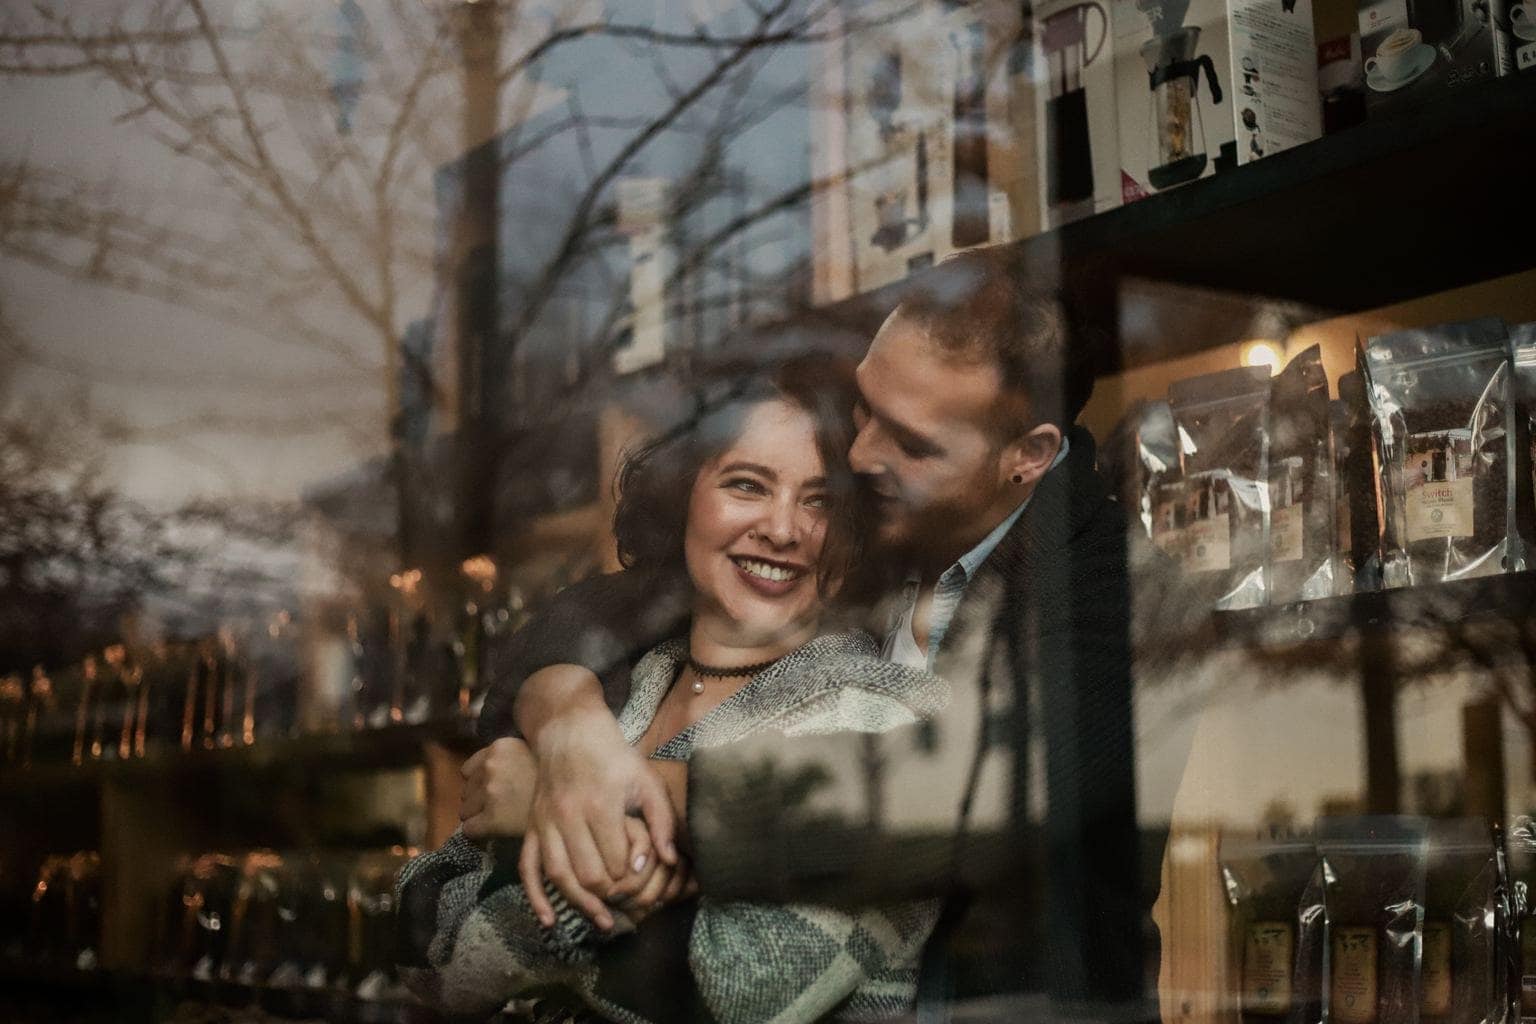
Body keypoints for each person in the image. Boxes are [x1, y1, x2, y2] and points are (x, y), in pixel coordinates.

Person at [468, 245, 1156, 1020]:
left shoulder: (1120, 586)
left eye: (911, 441)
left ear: (1027, 457)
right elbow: (600, 606)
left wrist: (612, 794)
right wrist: (567, 725)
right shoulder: (881, 523)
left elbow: (977, 791)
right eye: (866, 407)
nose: (861, 454)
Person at [396, 355, 952, 1023]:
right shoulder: (623, 685)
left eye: (820, 501)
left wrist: (543, 828)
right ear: (682, 496)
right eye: (747, 485)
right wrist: (652, 868)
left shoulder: (883, 714)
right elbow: (418, 916)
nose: (783, 529)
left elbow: (748, 991)